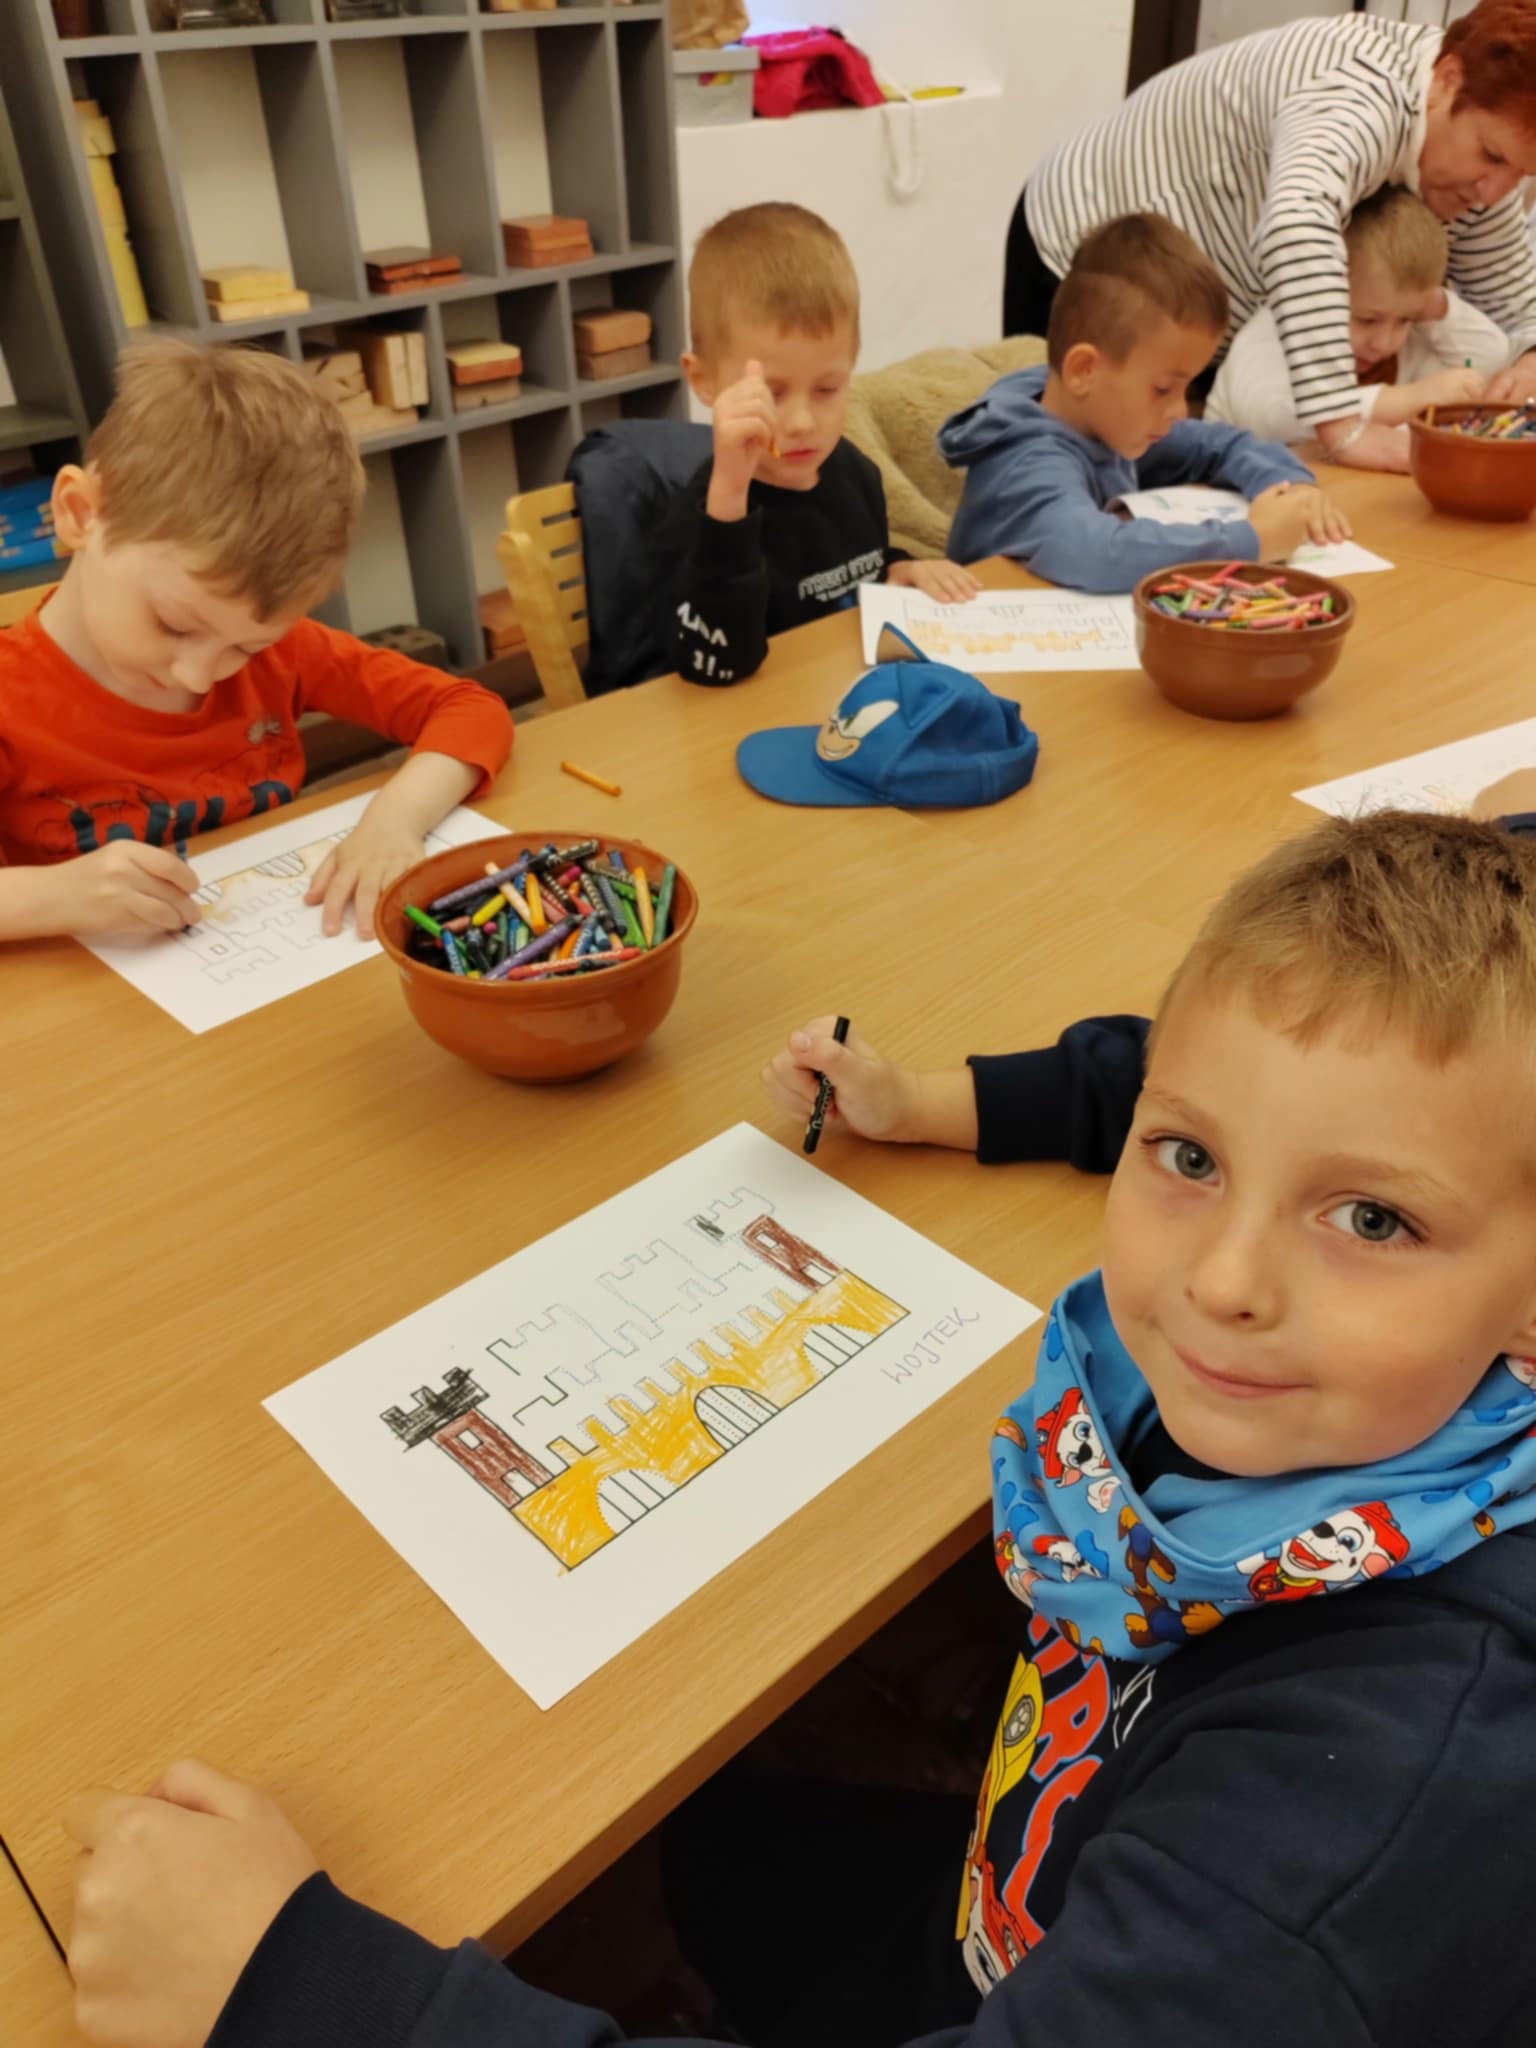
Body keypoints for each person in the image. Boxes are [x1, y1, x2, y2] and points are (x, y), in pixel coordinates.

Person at [62, 808, 1536, 2047]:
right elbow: (1197, 1068)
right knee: (716, 1848)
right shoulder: (1331, 1395)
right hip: (1031, 1874)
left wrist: (310, 1997)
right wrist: (933, 1100)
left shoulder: (1363, 1810)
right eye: (1188, 1155)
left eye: (1372, 1219)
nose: (1222, 1281)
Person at [0, 341, 512, 945]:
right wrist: (49, 897)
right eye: (173, 624)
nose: (199, 675)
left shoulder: (282, 652)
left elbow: (469, 710)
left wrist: (395, 820)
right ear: (81, 513)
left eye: (243, 647)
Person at [1005, 1, 1536, 473]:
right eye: (1491, 156)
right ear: (1446, 79)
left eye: (1522, 173)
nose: (1494, 193)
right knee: (1068, 471)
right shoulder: (1360, 90)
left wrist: (1530, 360)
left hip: (1203, 310)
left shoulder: (1475, 163)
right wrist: (1341, 424)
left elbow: (1517, 303)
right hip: (1087, 250)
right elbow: (1296, 225)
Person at [652, 202, 979, 689]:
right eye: (772, 392)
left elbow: (851, 569)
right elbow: (717, 664)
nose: (803, 423)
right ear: (704, 381)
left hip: (843, 700)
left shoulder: (855, 473)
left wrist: (899, 569)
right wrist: (729, 498)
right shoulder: (703, 518)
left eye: (827, 389)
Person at [940, 214, 1349, 592]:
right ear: (1084, 371)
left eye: (1186, 388)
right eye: (1164, 389)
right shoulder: (1026, 465)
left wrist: (1288, 486)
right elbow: (1100, 553)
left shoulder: (1100, 419)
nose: (1180, 410)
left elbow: (1217, 445)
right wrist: (1253, 540)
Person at [1207, 186, 1508, 465]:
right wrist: (1408, 399)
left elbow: (1490, 355)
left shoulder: (1410, 340)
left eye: (1405, 320)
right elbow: (1270, 418)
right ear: (1320, 290)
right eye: (1367, 320)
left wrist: (1431, 304)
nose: (1384, 343)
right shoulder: (1274, 329)